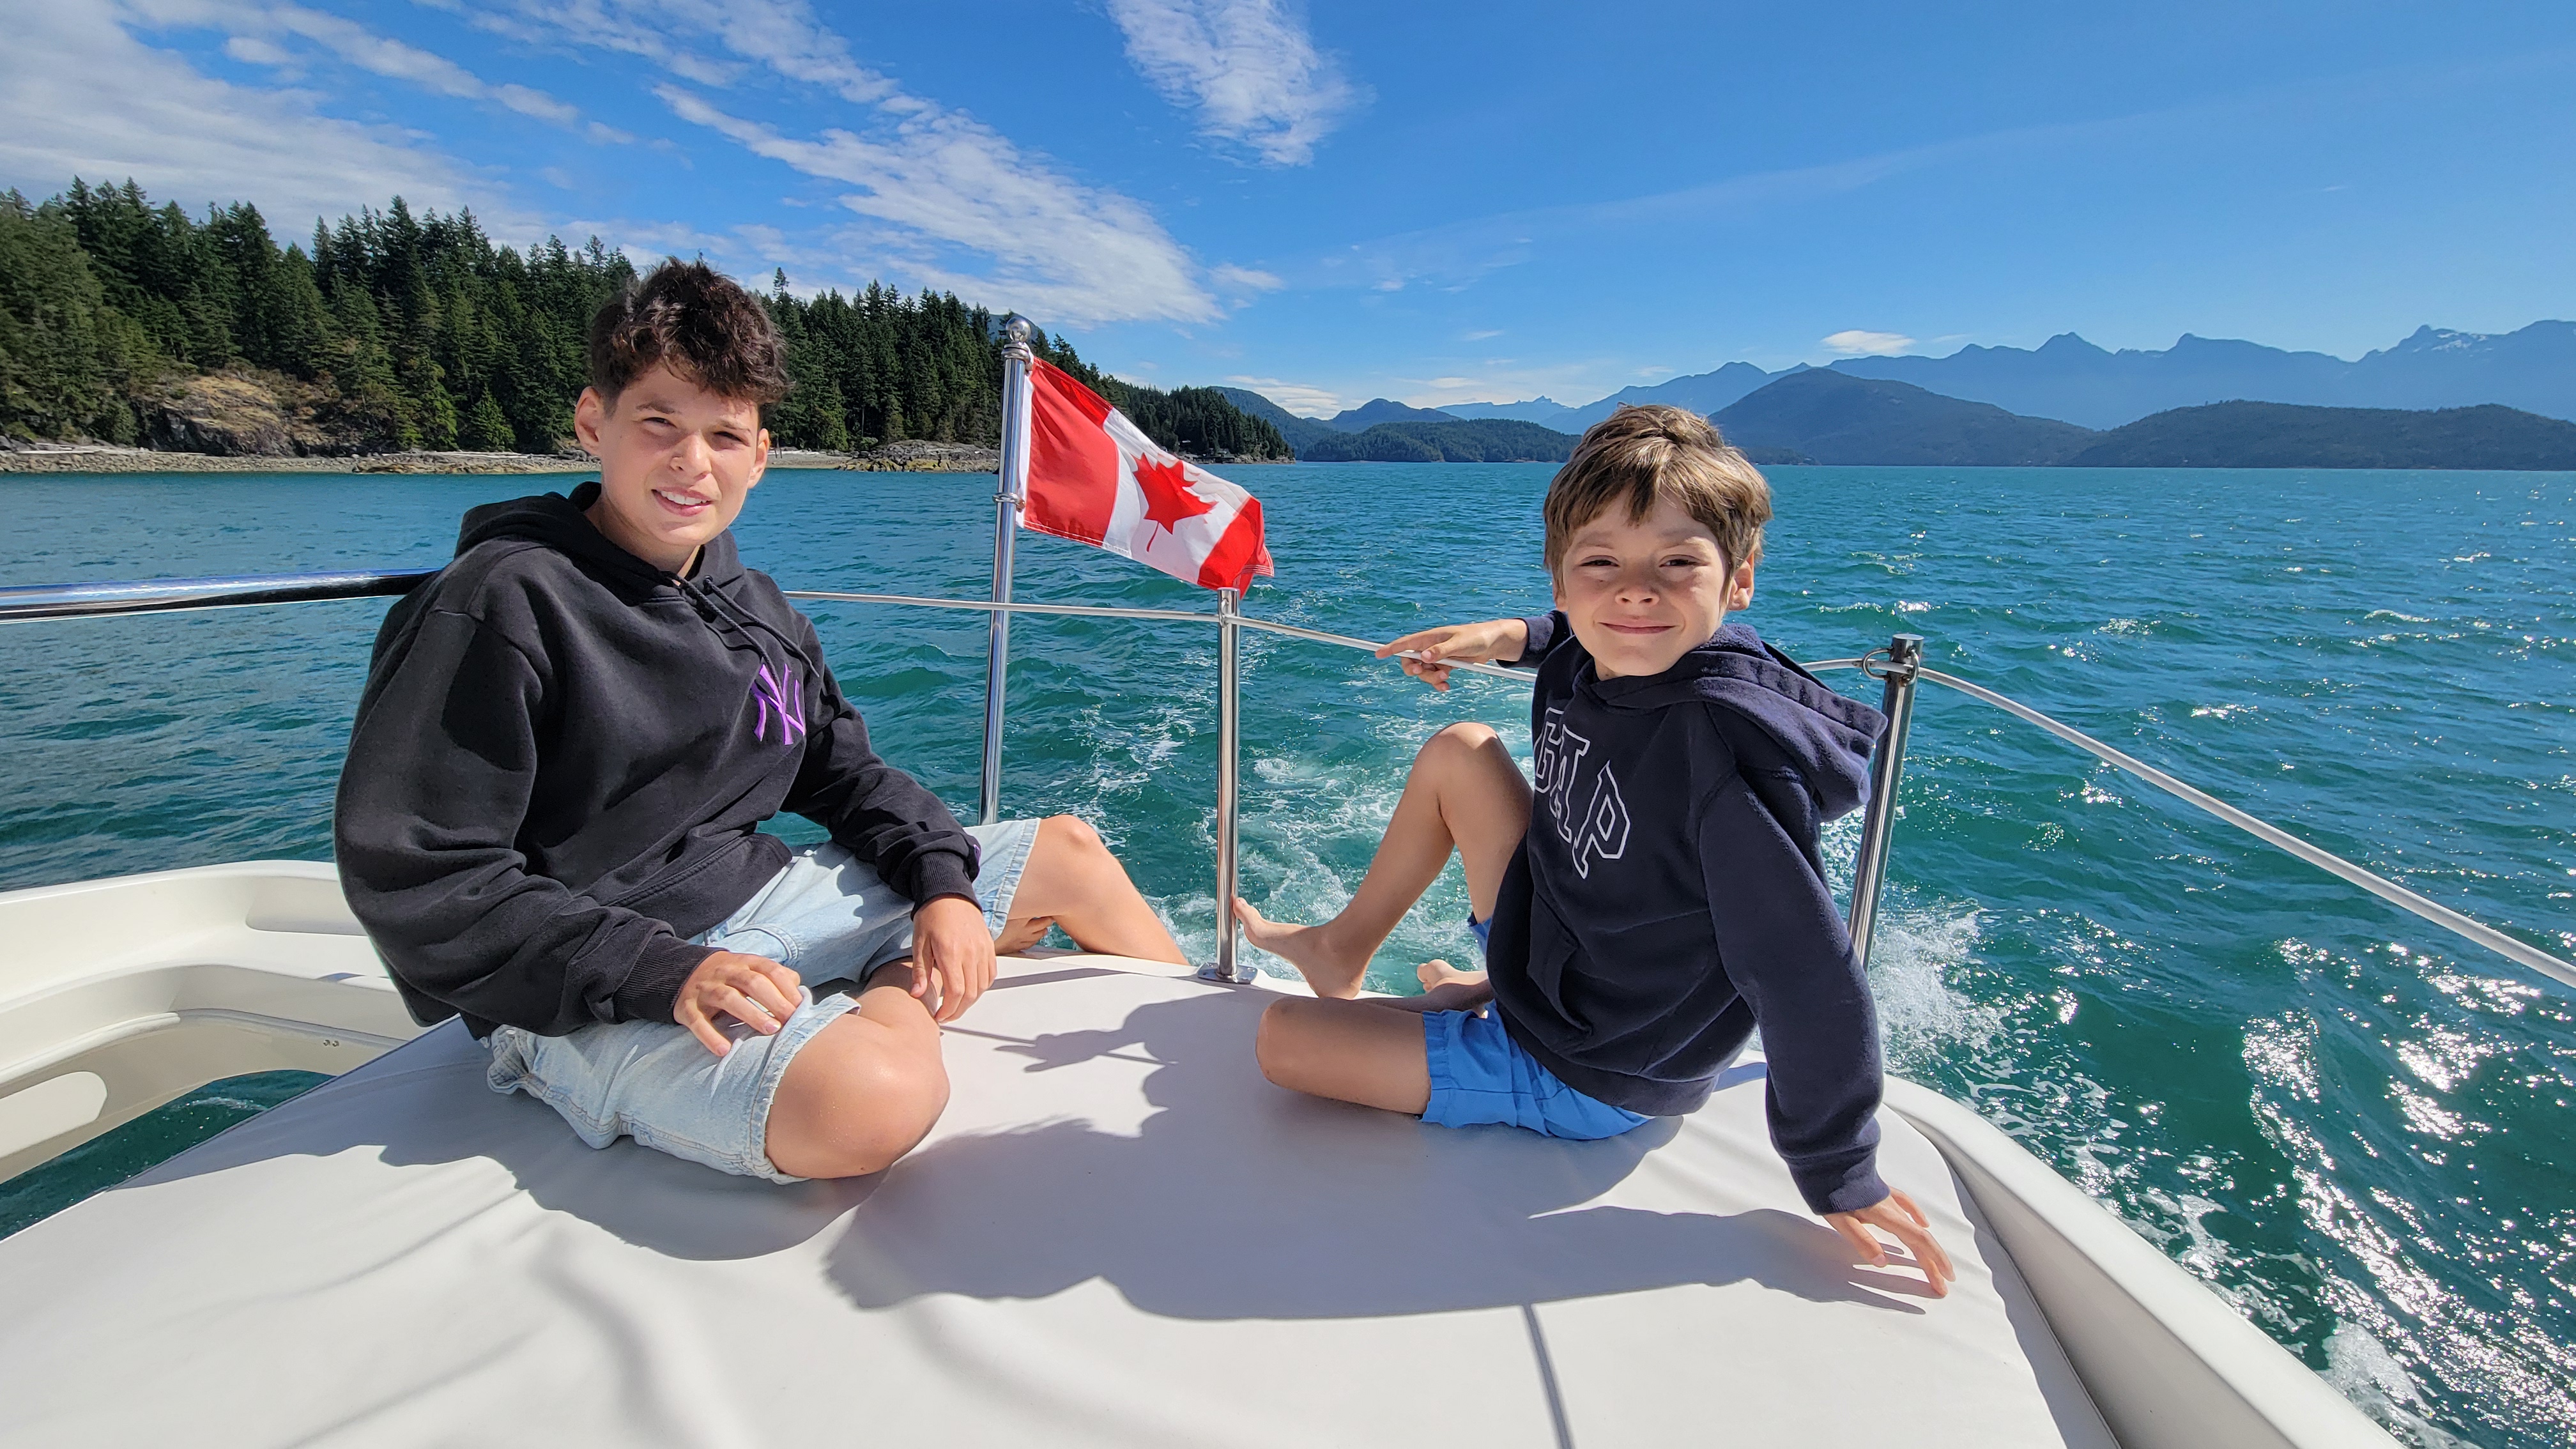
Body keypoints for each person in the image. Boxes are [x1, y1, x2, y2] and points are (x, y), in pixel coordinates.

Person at [335, 259, 1184, 1184]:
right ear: (594, 422)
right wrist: (661, 973)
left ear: (761, 454)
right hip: (588, 983)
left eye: (723, 435)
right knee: (874, 1100)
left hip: (765, 906)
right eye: (659, 422)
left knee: (1068, 852)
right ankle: (891, 982)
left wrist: (941, 886)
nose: (692, 462)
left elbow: (846, 774)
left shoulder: (755, 608)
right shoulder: (501, 603)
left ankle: (1196, 1072)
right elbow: (422, 875)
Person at [1235, 404, 1954, 1294]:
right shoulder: (1599, 651)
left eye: (1676, 564)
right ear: (1564, 580)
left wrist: (1839, 1164)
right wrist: (1507, 637)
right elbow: (1565, 634)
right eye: (1601, 564)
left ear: (1739, 583)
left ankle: (1483, 1011)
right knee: (1463, 749)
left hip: (1594, 1066)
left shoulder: (1723, 762)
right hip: (1565, 948)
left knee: (1282, 1042)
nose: (1635, 593)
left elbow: (1805, 971)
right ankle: (1354, 951)